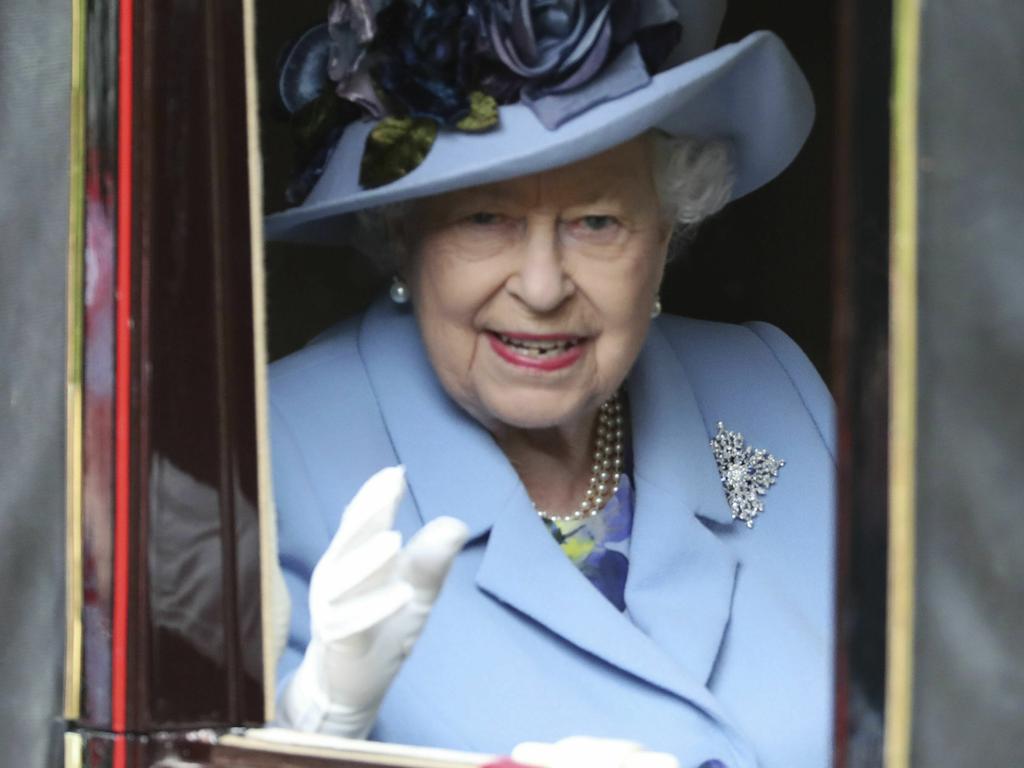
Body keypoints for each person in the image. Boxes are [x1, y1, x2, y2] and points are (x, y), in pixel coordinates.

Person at [264, 1, 836, 766]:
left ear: (666, 232)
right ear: (404, 231)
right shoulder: (267, 451)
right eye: (485, 219)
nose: (540, 287)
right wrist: (301, 739)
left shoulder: (775, 392)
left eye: (596, 222)